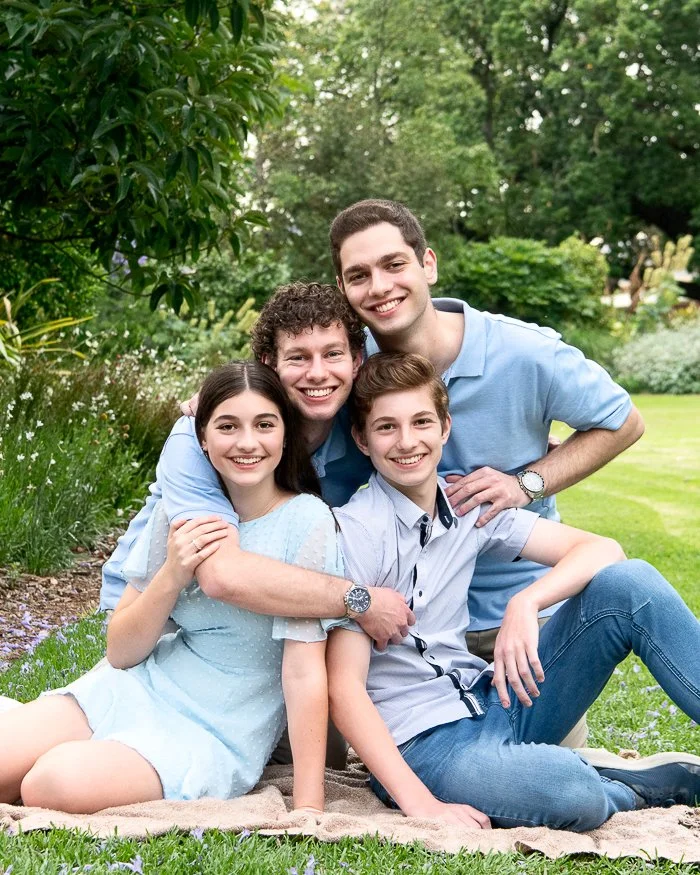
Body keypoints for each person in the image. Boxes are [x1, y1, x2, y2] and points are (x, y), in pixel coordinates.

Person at [326, 352, 700, 831]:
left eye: (421, 422)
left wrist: (527, 602)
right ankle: (621, 784)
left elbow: (603, 550)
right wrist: (422, 805)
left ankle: (572, 772)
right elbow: (345, 687)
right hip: (426, 746)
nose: (407, 442)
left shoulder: (463, 504)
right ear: (361, 438)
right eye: (386, 427)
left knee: (631, 584)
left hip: (492, 700)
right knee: (573, 793)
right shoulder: (353, 532)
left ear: (445, 427)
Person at [0, 362, 341, 813]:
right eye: (227, 426)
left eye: (264, 425)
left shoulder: (308, 521)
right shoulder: (182, 512)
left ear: (285, 433)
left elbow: (303, 674)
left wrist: (309, 807)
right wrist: (173, 575)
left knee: (49, 784)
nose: (247, 442)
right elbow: (121, 652)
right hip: (134, 688)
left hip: (213, 730)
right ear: (202, 439)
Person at [100, 282, 410, 653]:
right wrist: (362, 601)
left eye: (332, 354)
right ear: (268, 363)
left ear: (356, 360)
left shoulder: (361, 428)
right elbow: (221, 575)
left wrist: (502, 483)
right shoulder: (199, 436)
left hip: (266, 603)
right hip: (163, 609)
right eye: (297, 358)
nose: (317, 374)